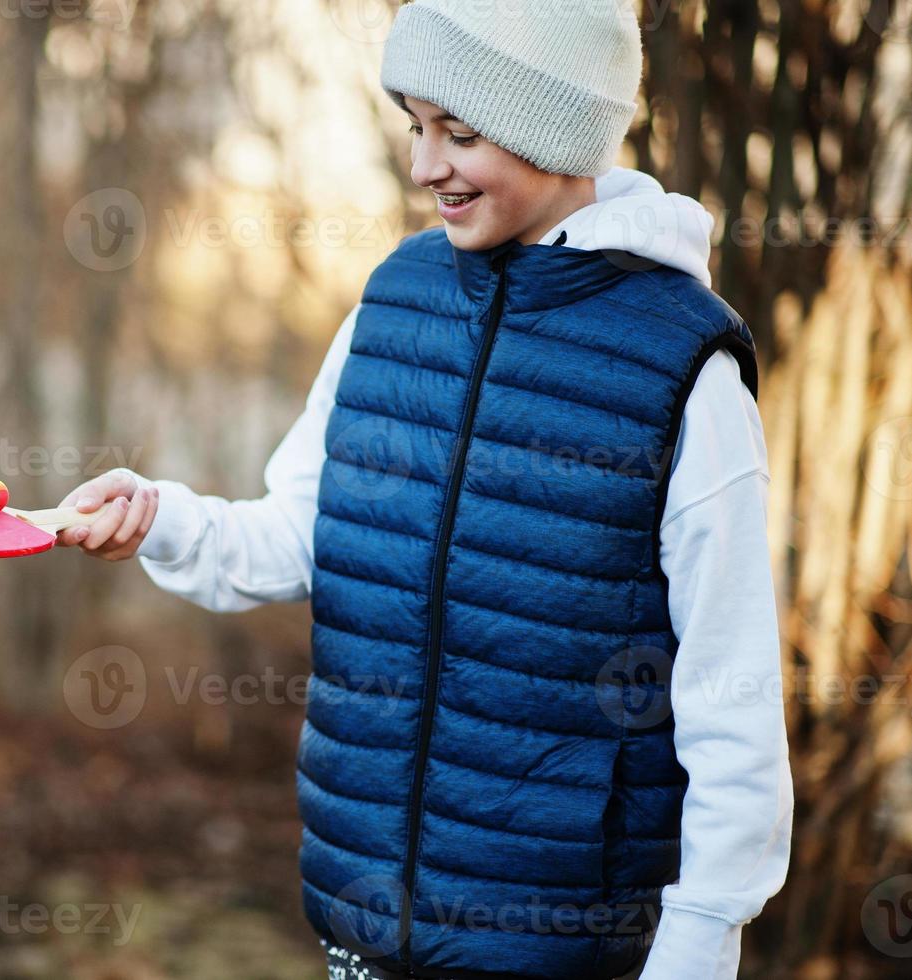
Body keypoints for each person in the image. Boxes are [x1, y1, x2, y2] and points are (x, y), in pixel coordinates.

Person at [55, 1, 793, 977]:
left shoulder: (681, 367)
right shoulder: (392, 301)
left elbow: (732, 699)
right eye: (416, 126)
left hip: (566, 946)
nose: (423, 165)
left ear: (556, 127)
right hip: (363, 928)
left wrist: (700, 941)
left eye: (462, 132)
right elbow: (300, 531)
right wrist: (158, 517)